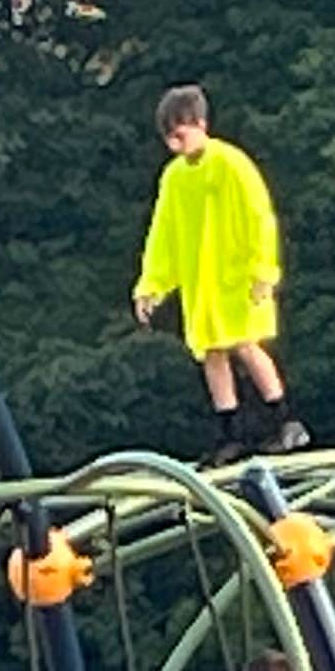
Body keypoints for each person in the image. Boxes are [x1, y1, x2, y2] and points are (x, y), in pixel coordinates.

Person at [131, 84, 307, 466]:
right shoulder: (174, 177)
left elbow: (259, 217)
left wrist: (264, 269)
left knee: (245, 344)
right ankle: (230, 434)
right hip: (202, 283)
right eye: (168, 139)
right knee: (212, 352)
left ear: (201, 124)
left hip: (238, 279)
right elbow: (163, 233)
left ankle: (286, 420)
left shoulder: (232, 164)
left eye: (180, 135)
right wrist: (152, 285)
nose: (175, 146)